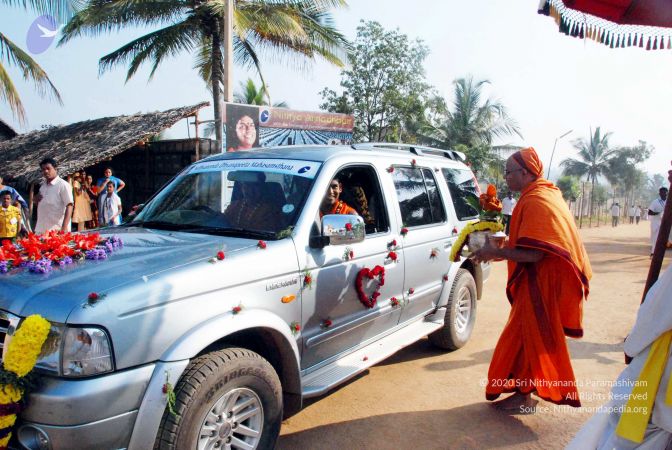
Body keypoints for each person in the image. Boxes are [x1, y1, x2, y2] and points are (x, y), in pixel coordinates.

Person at [472, 147, 592, 411]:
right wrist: (500, 251)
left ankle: (524, 396)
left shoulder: (537, 200)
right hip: (539, 279)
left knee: (529, 336)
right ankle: (523, 392)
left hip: (542, 282)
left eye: (509, 172)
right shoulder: (541, 193)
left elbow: (536, 254)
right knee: (524, 335)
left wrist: (496, 251)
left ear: (526, 172)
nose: (506, 178)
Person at [34, 157, 74, 234]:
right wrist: (35, 200)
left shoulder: (63, 185)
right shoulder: (43, 186)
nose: (45, 171)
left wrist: (64, 227)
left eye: (48, 168)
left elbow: (69, 205)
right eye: (43, 169)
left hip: (57, 230)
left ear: (55, 168)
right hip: (41, 230)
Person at [648, 187, 668, 256]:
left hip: (666, 223)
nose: (663, 194)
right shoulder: (655, 202)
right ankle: (653, 253)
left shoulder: (669, 202)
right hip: (656, 223)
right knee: (655, 238)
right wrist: (658, 213)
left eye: (665, 192)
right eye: (662, 192)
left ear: (667, 193)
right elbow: (649, 212)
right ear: (659, 193)